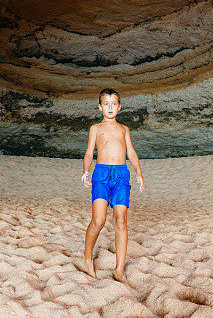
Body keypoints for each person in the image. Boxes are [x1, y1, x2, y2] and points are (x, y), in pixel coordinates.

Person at [81, 87, 145, 282]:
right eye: (106, 104)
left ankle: (119, 269)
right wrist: (86, 171)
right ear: (100, 107)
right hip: (101, 174)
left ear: (119, 107)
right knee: (98, 220)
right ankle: (87, 256)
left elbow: (131, 152)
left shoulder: (124, 129)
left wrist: (139, 172)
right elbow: (88, 153)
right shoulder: (95, 129)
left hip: (121, 175)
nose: (110, 107)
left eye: (114, 104)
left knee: (121, 220)